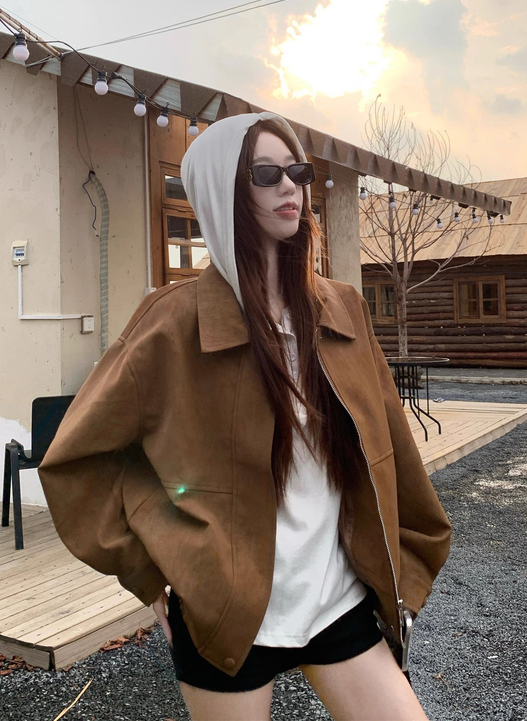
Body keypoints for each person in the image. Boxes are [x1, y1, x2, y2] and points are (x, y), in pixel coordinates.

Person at [39, 111, 452, 721]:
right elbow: (77, 460)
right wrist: (152, 569)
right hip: (227, 616)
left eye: (297, 171)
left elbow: (393, 446)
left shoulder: (341, 308)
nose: (291, 187)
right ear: (222, 192)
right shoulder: (171, 321)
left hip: (338, 600)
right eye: (265, 174)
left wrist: (411, 563)